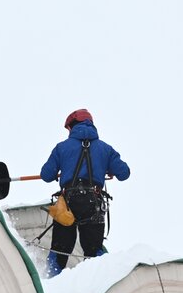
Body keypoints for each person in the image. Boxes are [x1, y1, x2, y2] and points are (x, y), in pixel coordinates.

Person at [40, 109, 130, 276]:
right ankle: (98, 285)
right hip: (93, 203)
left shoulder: (62, 148)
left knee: (59, 252)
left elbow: (46, 175)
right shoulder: (105, 149)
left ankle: (50, 284)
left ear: (72, 126)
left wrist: (63, 169)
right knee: (94, 253)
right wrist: (108, 169)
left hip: (66, 204)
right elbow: (124, 173)